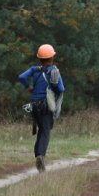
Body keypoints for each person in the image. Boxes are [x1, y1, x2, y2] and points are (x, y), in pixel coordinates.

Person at [18, 44, 65, 172]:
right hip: (46, 106)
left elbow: (21, 77)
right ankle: (40, 156)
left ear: (40, 58)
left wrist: (28, 87)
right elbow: (61, 89)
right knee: (45, 131)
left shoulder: (35, 69)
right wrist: (54, 87)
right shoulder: (54, 71)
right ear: (52, 58)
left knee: (41, 129)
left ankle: (38, 154)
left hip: (34, 105)